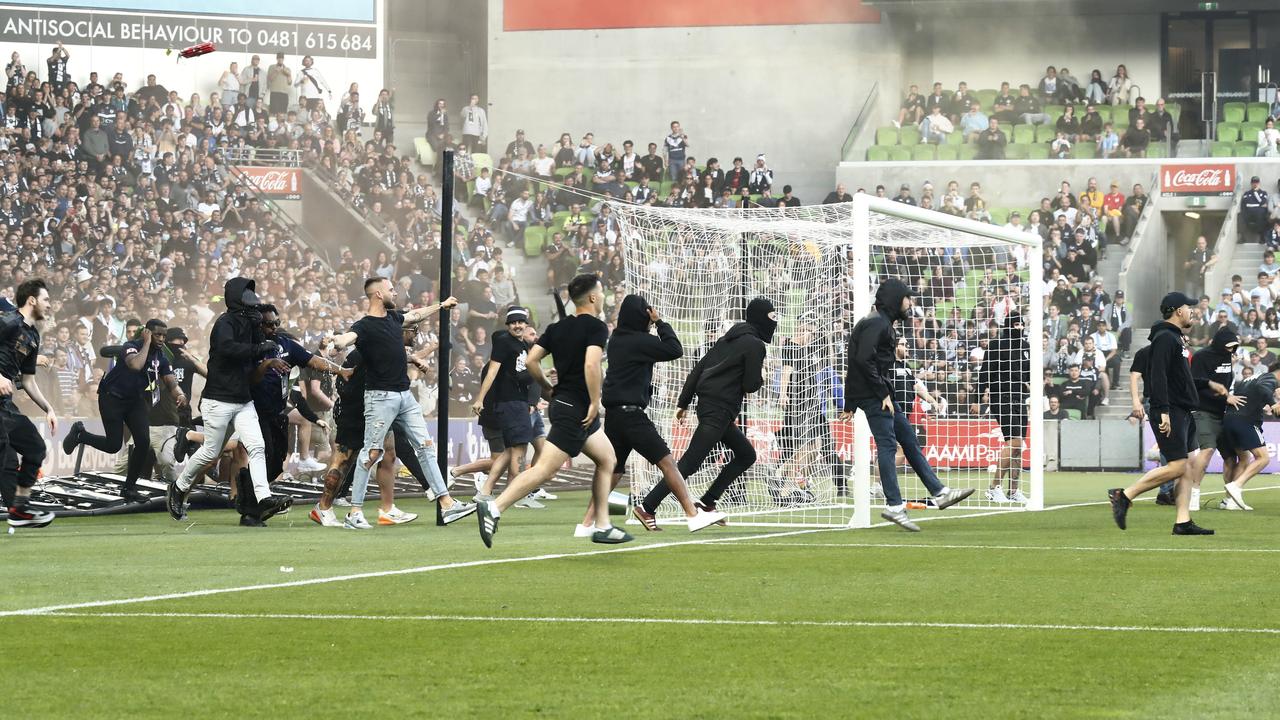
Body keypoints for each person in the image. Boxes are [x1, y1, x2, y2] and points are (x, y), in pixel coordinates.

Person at [474, 274, 632, 547]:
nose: (604, 296)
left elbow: (532, 359)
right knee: (545, 469)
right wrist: (595, 401)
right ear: (593, 297)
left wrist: (547, 388)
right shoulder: (596, 327)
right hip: (578, 409)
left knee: (608, 459)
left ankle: (602, 524)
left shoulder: (557, 329)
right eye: (602, 292)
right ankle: (495, 506)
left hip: (566, 405)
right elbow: (592, 366)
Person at [329, 279, 473, 529]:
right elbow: (348, 338)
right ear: (377, 293)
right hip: (379, 397)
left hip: (404, 396)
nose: (395, 292)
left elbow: (415, 314)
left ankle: (447, 504)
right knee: (371, 453)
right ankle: (355, 512)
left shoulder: (394, 319)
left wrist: (441, 305)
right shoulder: (363, 326)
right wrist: (338, 342)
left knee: (426, 446)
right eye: (391, 289)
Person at [840, 279, 973, 531]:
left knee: (909, 440)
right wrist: (880, 394)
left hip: (880, 394)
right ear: (894, 299)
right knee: (888, 444)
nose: (910, 303)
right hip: (876, 396)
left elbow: (860, 362)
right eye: (907, 298)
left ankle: (939, 492)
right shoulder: (876, 323)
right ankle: (893, 506)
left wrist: (851, 402)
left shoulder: (880, 323)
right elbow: (861, 360)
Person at [165, 278, 292, 526]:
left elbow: (257, 346)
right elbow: (228, 349)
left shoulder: (250, 323)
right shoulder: (224, 323)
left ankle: (264, 497)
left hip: (243, 400)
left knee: (256, 446)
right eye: (247, 297)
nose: (252, 304)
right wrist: (259, 348)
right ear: (235, 298)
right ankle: (179, 487)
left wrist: (260, 335)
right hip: (218, 399)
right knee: (211, 452)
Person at [606, 295, 726, 533]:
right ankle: (693, 515)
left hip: (613, 415)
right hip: (632, 415)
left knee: (613, 471)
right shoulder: (640, 341)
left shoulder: (617, 339)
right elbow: (675, 349)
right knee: (668, 463)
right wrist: (660, 322)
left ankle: (589, 521)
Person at [1108, 292, 1214, 535]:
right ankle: (1124, 495)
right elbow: (1158, 376)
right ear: (1178, 311)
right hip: (1171, 410)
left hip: (1184, 410)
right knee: (1177, 466)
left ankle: (1183, 521)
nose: (1192, 311)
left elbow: (1177, 378)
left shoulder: (1174, 339)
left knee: (1187, 466)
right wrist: (1163, 410)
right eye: (1189, 307)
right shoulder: (1166, 338)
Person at [62, 318, 187, 504]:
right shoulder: (131, 346)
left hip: (134, 401)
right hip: (111, 397)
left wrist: (179, 393)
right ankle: (81, 435)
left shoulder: (160, 356)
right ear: (146, 333)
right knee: (113, 446)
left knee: (143, 442)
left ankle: (129, 488)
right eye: (157, 334)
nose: (161, 339)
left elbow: (170, 380)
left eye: (164, 335)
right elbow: (135, 365)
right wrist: (145, 343)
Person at [2, 279, 59, 529]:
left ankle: (20, 508)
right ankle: (16, 509)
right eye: (46, 299)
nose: (50, 305)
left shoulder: (33, 335)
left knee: (35, 447)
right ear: (32, 300)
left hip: (5, 403)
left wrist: (48, 408)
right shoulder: (8, 322)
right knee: (4, 455)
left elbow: (27, 380)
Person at [472, 307, 537, 502]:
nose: (517, 325)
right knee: (518, 449)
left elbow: (522, 376)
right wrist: (479, 399)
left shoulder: (523, 346)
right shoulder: (503, 342)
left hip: (516, 402)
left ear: (526, 324)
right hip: (511, 403)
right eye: (513, 322)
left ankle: (485, 492)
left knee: (509, 452)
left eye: (521, 322)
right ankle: (514, 495)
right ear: (508, 325)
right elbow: (492, 372)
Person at [979, 314, 1030, 504]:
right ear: (1008, 326)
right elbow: (985, 371)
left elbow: (1027, 372)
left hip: (1019, 398)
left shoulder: (1025, 347)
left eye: (1022, 325)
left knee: (1019, 446)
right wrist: (978, 398)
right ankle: (994, 488)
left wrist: (1029, 382)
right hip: (1001, 396)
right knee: (1014, 442)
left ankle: (1013, 491)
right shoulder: (996, 345)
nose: (1020, 328)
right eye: (1016, 324)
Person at [1216, 360, 1280, 511]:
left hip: (1229, 419)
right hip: (1245, 421)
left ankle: (1229, 501)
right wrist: (1272, 403)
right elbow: (1263, 388)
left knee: (1243, 458)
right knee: (1263, 458)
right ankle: (1236, 485)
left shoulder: (1250, 378)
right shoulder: (1269, 378)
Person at [1241, 176, 1270, 244]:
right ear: (1251, 183)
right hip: (1248, 212)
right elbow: (1244, 203)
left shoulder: (1263, 193)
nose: (1255, 184)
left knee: (1262, 217)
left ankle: (1262, 238)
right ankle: (1242, 238)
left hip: (1259, 212)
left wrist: (1255, 192)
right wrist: (1258, 204)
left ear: (1259, 183)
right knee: (1241, 217)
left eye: (1256, 182)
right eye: (1253, 182)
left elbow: (1262, 202)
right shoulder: (1247, 193)